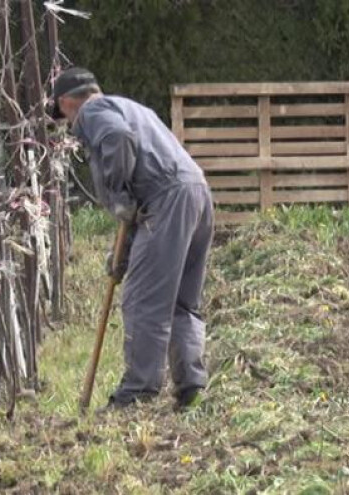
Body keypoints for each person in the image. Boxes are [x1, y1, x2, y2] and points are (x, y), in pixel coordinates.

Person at [49, 67, 214, 410]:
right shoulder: (131, 107)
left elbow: (117, 140)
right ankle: (190, 385)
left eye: (63, 115)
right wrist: (121, 253)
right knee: (183, 299)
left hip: (166, 200)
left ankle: (138, 391)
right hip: (195, 191)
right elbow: (140, 194)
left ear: (66, 103)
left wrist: (117, 191)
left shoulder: (93, 112)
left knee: (142, 298)